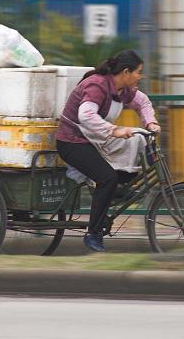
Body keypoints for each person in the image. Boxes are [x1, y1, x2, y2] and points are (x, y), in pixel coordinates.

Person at [55, 50, 161, 252]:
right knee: (107, 179)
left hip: (94, 138)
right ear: (126, 72)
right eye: (138, 72)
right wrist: (115, 130)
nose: (141, 76)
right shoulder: (97, 85)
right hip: (73, 141)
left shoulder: (123, 89)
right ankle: (93, 234)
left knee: (138, 139)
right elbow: (85, 116)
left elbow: (143, 102)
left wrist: (151, 122)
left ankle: (114, 191)